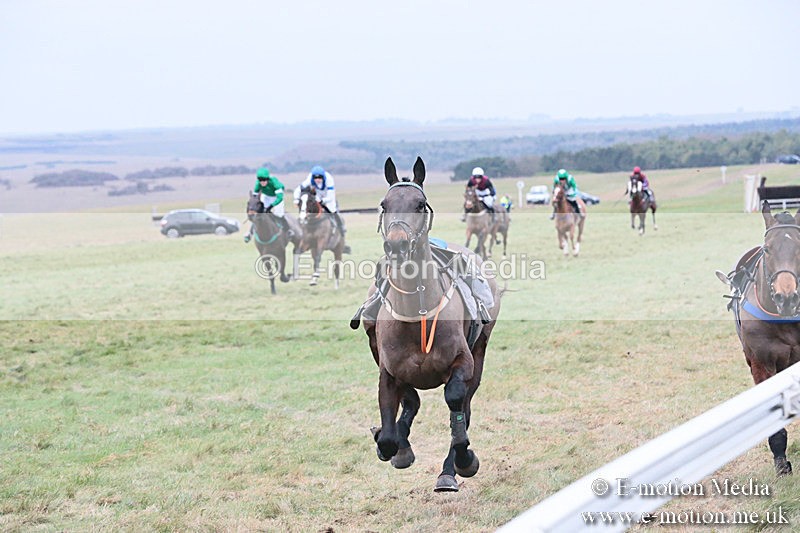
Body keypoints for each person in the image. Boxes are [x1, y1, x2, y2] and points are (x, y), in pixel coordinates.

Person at [293, 165, 346, 237]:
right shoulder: (309, 178)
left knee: (332, 210)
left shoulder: (329, 179)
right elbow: (298, 189)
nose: (317, 179)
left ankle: (340, 227)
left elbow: (330, 197)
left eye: (320, 177)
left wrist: (323, 201)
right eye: (315, 178)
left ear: (323, 177)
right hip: (318, 194)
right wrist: (296, 199)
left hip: (328, 195)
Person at [244, 167, 291, 243]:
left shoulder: (274, 182)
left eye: (264, 180)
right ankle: (250, 233)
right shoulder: (258, 184)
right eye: (260, 180)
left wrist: (271, 206)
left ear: (268, 178)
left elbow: (280, 197)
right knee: (259, 214)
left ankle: (288, 231)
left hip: (277, 197)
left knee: (279, 214)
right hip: (266, 196)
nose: (262, 182)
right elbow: (255, 198)